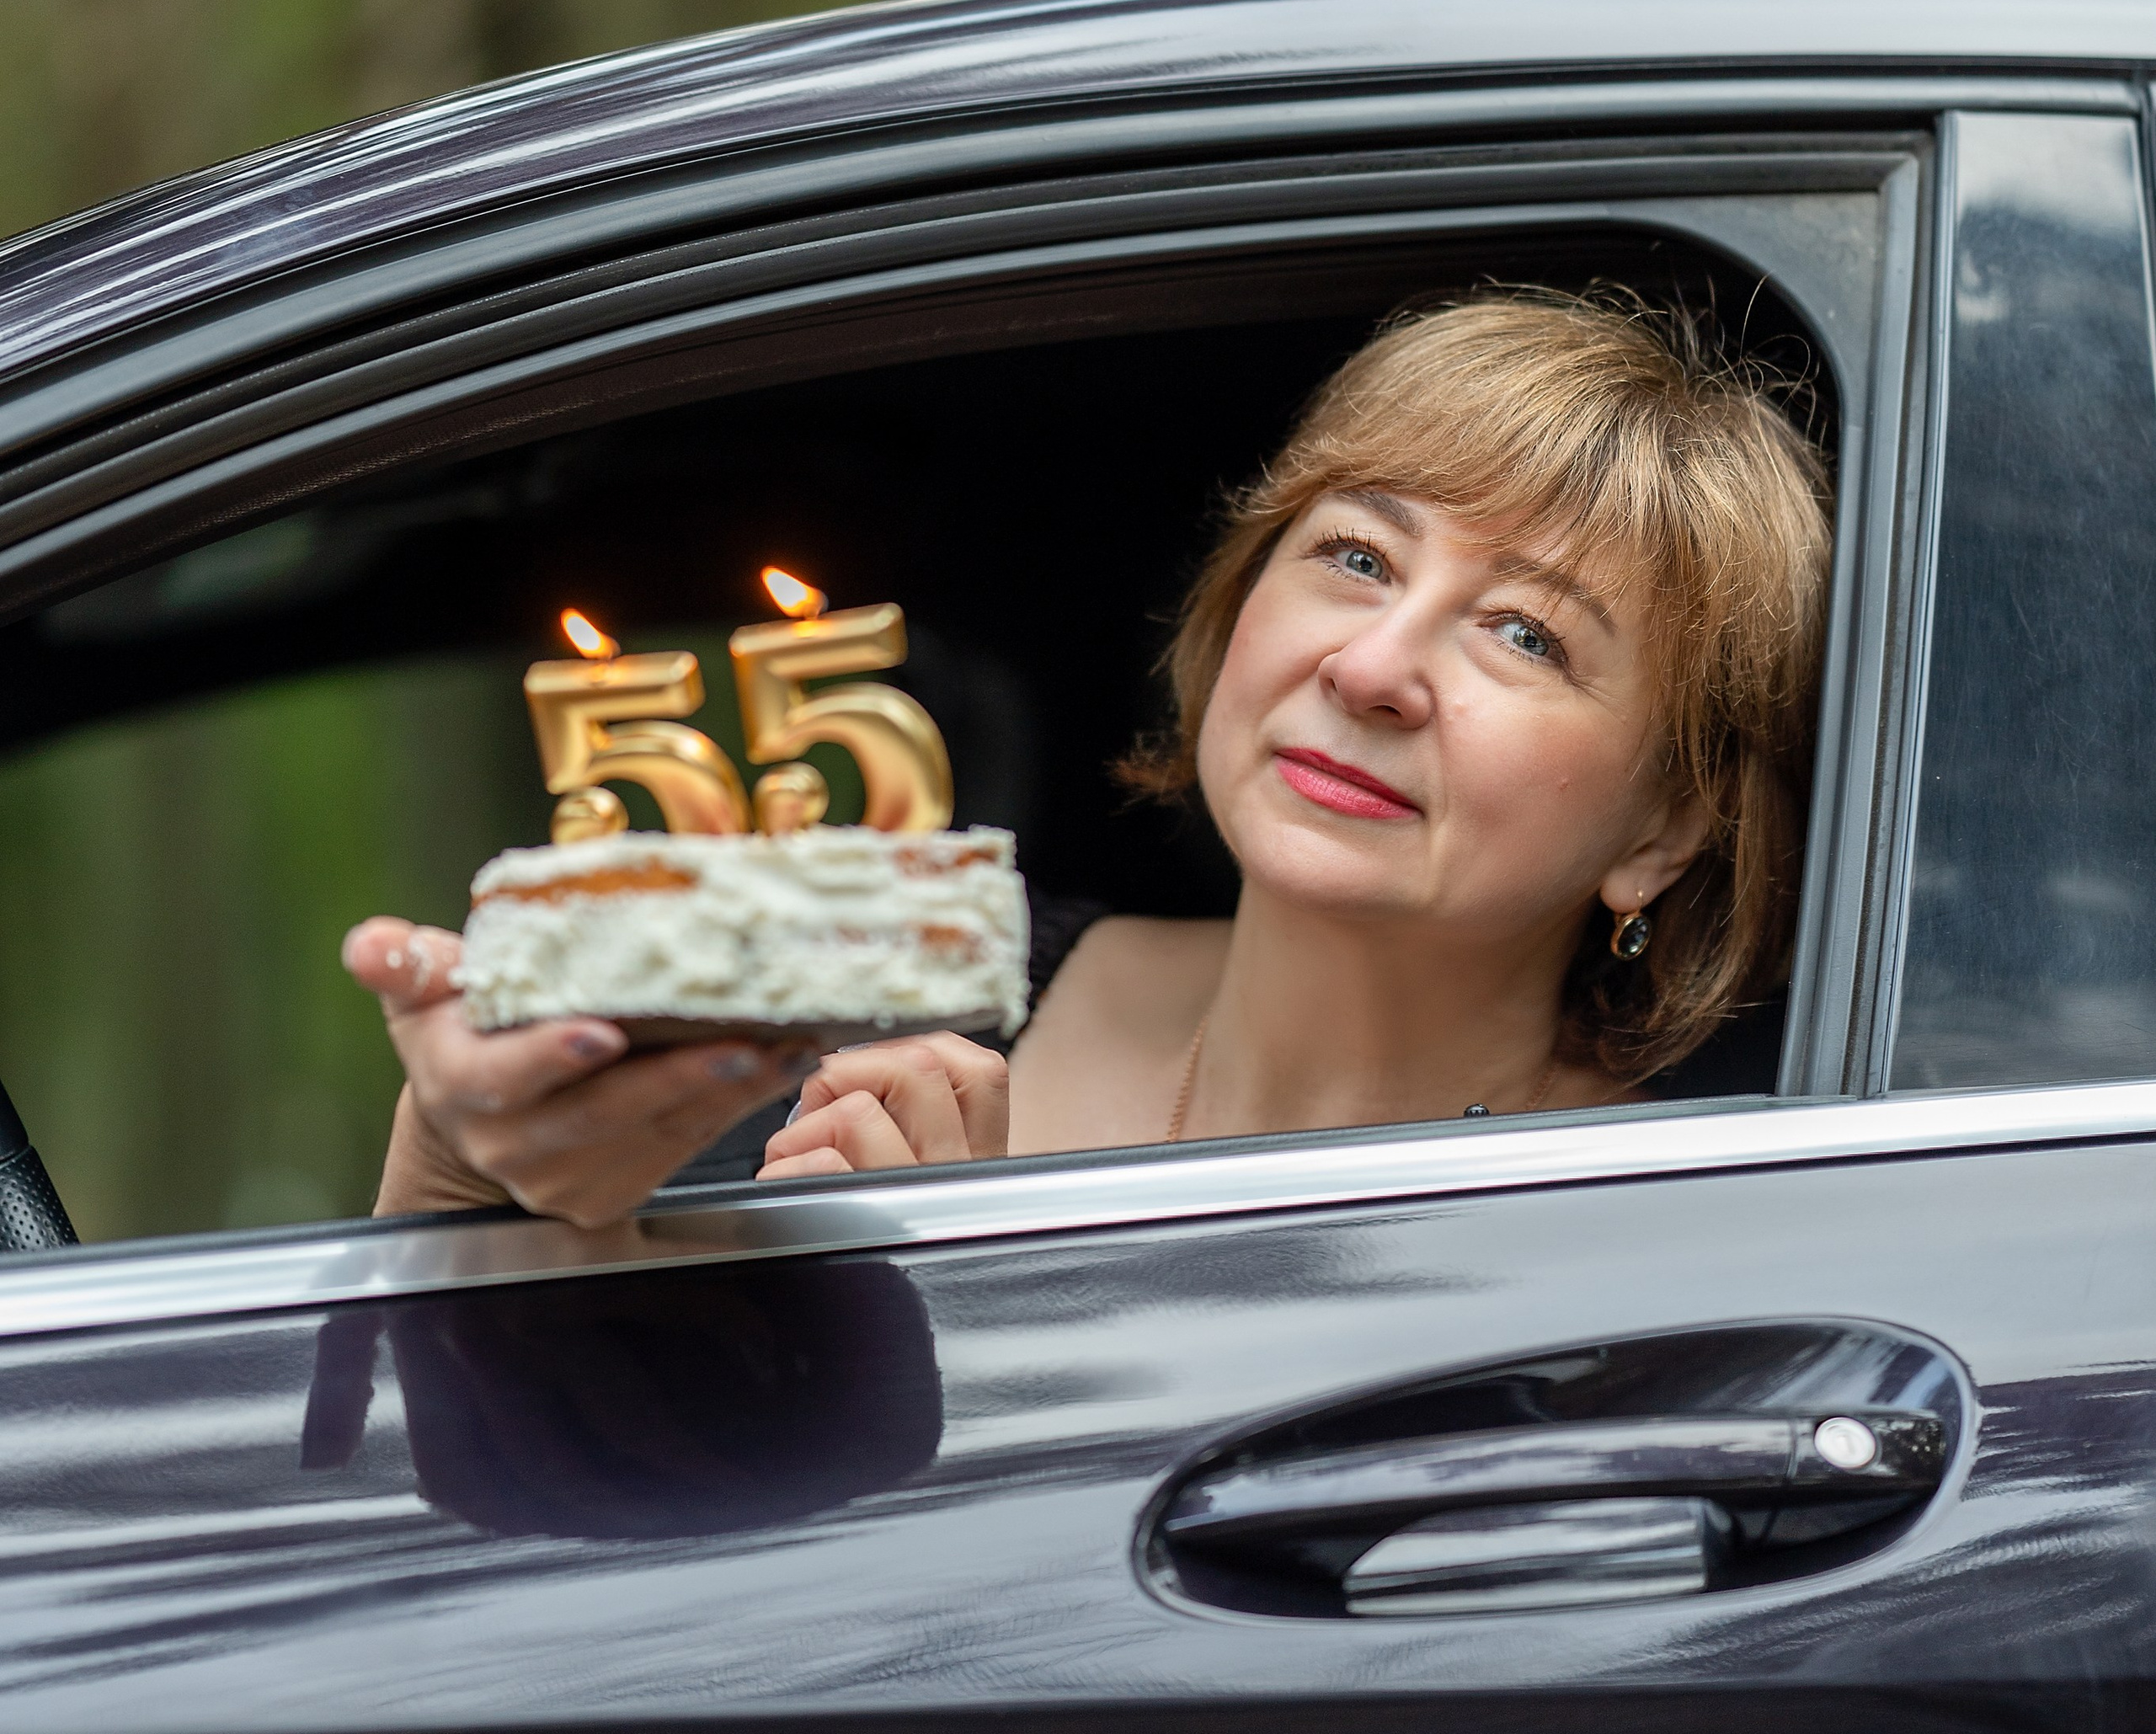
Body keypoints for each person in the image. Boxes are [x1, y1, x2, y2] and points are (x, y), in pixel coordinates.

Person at [344, 293, 1831, 1227]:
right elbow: (461, 1500)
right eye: (1358, 554)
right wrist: (463, 1164)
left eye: (1524, 636)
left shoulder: (1688, 1227)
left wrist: (981, 1313)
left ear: (1668, 829)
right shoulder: (856, 1012)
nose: (1373, 670)